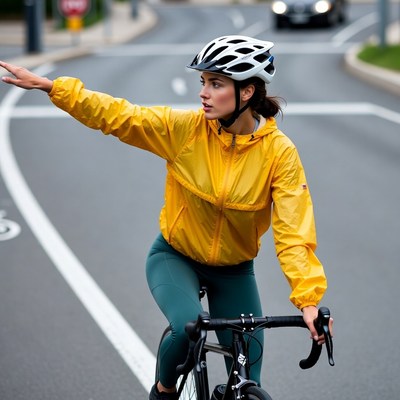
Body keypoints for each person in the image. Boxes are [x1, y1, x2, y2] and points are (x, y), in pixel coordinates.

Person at [1, 35, 332, 400]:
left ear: (248, 92)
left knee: (248, 376)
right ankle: (163, 391)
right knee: (186, 328)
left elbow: (294, 232)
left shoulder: (279, 154)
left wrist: (308, 302)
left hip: (235, 270)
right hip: (175, 258)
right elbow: (119, 115)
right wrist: (52, 87)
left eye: (216, 83)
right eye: (202, 82)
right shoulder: (185, 130)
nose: (203, 93)